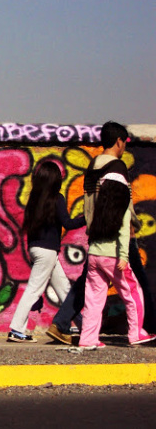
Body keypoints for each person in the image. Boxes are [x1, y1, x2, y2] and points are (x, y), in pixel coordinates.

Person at [46, 121, 156, 344]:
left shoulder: (93, 167)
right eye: (124, 143)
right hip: (118, 236)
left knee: (91, 289)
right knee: (135, 286)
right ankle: (143, 329)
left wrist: (93, 226)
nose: (124, 147)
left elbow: (89, 204)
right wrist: (131, 226)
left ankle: (71, 327)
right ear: (119, 141)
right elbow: (123, 205)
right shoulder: (117, 167)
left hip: (97, 235)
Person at [7, 160, 86, 342]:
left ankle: (82, 325)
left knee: (65, 290)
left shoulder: (34, 200)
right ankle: (16, 330)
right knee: (33, 290)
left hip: (37, 249)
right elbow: (68, 223)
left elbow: (30, 229)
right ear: (55, 180)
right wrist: (87, 219)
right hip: (48, 252)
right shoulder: (57, 199)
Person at [78, 174, 156, 349]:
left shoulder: (99, 208)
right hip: (113, 258)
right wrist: (123, 257)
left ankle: (88, 339)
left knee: (93, 299)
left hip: (94, 256)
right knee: (133, 294)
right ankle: (136, 333)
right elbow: (124, 234)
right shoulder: (122, 209)